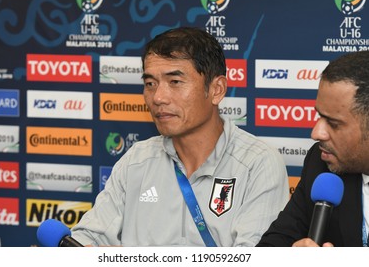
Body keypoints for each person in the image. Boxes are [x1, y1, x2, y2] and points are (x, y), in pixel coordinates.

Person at [71, 26, 289, 246]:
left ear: (217, 89)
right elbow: (89, 239)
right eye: (150, 84)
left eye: (175, 82)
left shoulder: (258, 164)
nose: (158, 97)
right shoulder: (136, 161)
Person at [256, 50, 369, 247]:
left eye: (333, 123)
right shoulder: (320, 163)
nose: (316, 133)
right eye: (319, 116)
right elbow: (270, 247)